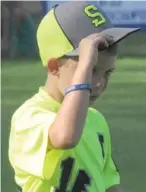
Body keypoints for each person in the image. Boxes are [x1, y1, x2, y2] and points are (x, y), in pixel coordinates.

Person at [8, 2, 140, 192]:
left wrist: (85, 64)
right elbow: (65, 137)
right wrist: (85, 63)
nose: (99, 83)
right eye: (91, 70)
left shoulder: (95, 120)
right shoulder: (28, 117)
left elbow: (108, 182)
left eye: (107, 73)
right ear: (54, 68)